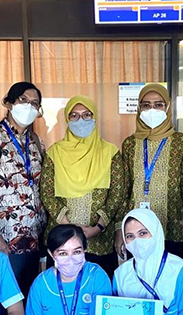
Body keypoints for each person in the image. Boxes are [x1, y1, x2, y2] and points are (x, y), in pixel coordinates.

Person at [41, 96, 128, 277]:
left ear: (94, 117)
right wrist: (70, 230)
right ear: (67, 119)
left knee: (99, 286)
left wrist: (97, 228)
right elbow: (47, 193)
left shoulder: (110, 152)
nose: (81, 120)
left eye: (87, 115)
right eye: (74, 115)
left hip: (100, 240)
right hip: (63, 241)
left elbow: (118, 194)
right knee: (62, 286)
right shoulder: (54, 152)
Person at [0, 82, 47, 294]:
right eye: (23, 100)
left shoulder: (36, 142)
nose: (29, 107)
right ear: (8, 103)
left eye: (34, 103)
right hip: (5, 237)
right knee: (5, 297)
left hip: (34, 237)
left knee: (28, 294)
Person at [115, 84, 183, 260]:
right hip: (135, 229)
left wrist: (170, 203)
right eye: (146, 105)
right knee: (138, 273)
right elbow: (124, 190)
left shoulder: (181, 142)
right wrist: (120, 229)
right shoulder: (130, 143)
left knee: (169, 273)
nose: (152, 109)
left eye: (158, 105)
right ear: (139, 108)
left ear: (167, 107)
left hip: (171, 228)